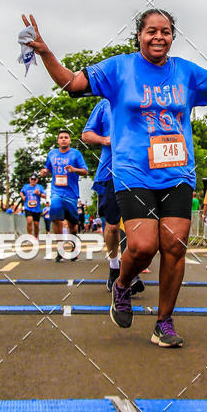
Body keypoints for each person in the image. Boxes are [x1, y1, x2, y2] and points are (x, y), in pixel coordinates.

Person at [21, 9, 207, 347]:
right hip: (133, 171)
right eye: (151, 31)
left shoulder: (185, 73)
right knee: (144, 246)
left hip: (177, 172)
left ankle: (164, 322)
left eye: (165, 31)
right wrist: (44, 52)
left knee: (174, 246)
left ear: (172, 36)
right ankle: (122, 286)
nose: (158, 37)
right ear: (139, 35)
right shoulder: (119, 69)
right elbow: (72, 82)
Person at [82, 98, 145, 294]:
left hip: (138, 171)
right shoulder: (104, 104)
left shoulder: (141, 98)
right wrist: (104, 139)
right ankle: (114, 267)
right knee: (111, 226)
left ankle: (130, 272)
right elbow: (86, 135)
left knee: (137, 227)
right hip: (110, 172)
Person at [40, 130, 88, 261]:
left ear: (70, 140)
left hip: (71, 194)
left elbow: (85, 171)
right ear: (58, 140)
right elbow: (48, 168)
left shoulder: (76, 154)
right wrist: (45, 171)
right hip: (56, 192)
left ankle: (73, 249)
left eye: (66, 137)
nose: (63, 139)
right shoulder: (52, 154)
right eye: (61, 137)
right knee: (56, 218)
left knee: (73, 225)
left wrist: (74, 169)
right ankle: (60, 249)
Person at [20, 172, 46, 240]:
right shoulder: (25, 186)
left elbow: (45, 196)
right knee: (29, 221)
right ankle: (29, 237)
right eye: (32, 179)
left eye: (34, 179)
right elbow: (21, 192)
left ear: (37, 180)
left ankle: (36, 237)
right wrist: (22, 196)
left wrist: (39, 193)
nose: (33, 181)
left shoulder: (40, 187)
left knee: (36, 224)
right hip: (28, 207)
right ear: (29, 179)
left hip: (37, 209)